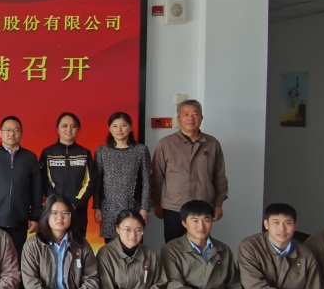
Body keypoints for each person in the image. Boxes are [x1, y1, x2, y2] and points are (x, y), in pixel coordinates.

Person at [150, 100, 228, 243]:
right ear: (178, 119)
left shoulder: (212, 143)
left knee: (200, 246)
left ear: (201, 118)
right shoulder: (166, 144)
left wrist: (218, 204)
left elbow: (219, 176)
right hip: (174, 207)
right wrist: (157, 203)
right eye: (185, 114)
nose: (190, 118)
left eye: (195, 114)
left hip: (203, 207)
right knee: (173, 248)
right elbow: (157, 176)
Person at [0, 115, 43, 257]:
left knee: (16, 258)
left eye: (16, 130)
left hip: (20, 219)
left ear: (21, 133)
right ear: (0, 133)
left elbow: (36, 190)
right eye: (7, 130)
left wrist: (35, 217)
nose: (12, 133)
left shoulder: (30, 158)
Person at [93, 111, 152, 242]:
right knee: (110, 247)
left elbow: (147, 181)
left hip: (133, 206)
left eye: (123, 125)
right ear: (109, 129)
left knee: (133, 241)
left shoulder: (141, 150)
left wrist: (144, 209)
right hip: (108, 208)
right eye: (115, 126)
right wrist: (96, 207)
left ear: (130, 127)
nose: (119, 129)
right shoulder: (102, 151)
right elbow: (97, 182)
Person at [40, 113, 94, 243]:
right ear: (57, 129)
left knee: (77, 247)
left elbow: (91, 181)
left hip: (78, 210)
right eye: (64, 126)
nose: (69, 129)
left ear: (78, 129)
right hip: (54, 212)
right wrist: (57, 204)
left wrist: (76, 203)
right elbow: (43, 181)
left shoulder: (85, 153)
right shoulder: (48, 153)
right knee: (53, 245)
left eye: (73, 126)